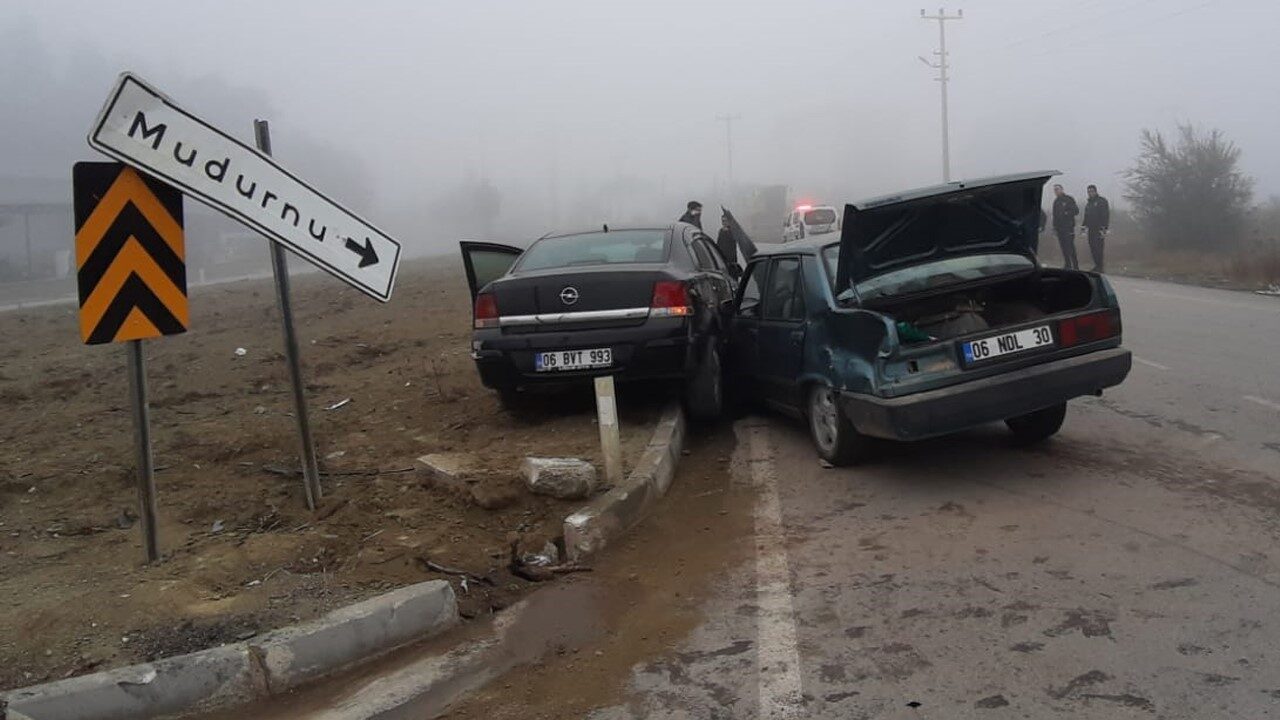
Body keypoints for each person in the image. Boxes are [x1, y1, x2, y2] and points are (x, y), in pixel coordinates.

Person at [1081, 184, 1110, 273]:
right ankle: (1097, 265)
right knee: (1092, 248)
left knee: (1098, 248)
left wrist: (1104, 228)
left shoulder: (1101, 201)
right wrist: (1083, 227)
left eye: (1092, 191)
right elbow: (1086, 216)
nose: (1090, 193)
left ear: (1095, 191)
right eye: (1088, 192)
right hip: (1091, 229)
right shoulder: (1089, 203)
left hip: (1099, 229)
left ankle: (1100, 266)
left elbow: (1105, 215)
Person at [1051, 184, 1080, 270]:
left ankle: (1075, 265)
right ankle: (1067, 264)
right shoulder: (1056, 201)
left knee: (1070, 246)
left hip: (1068, 227)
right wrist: (1054, 227)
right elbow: (1054, 215)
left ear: (1062, 189)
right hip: (1059, 228)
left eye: (1057, 189)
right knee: (1063, 247)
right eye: (1055, 190)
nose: (1056, 191)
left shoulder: (1069, 199)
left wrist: (1067, 213)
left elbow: (1076, 210)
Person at [716, 212, 741, 277]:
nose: (724, 223)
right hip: (722, 259)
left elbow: (734, 241)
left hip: (731, 260)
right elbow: (718, 244)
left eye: (725, 221)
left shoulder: (733, 231)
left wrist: (727, 231)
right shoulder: (721, 231)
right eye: (722, 221)